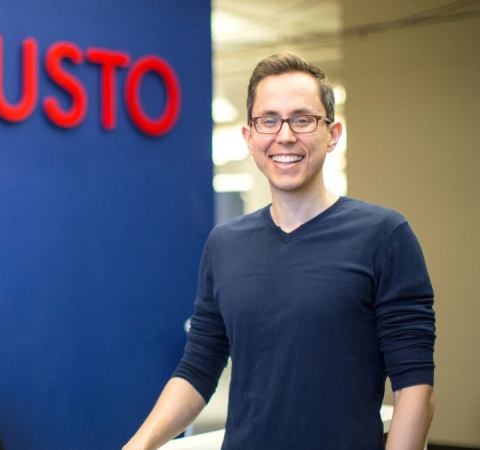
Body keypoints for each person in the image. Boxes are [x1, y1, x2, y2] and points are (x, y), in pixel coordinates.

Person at [122, 53, 436, 450]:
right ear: (249, 137)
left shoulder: (384, 236)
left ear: (333, 134)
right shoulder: (225, 244)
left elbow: (415, 388)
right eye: (268, 120)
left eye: (302, 119)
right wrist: (139, 444)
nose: (284, 136)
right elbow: (198, 368)